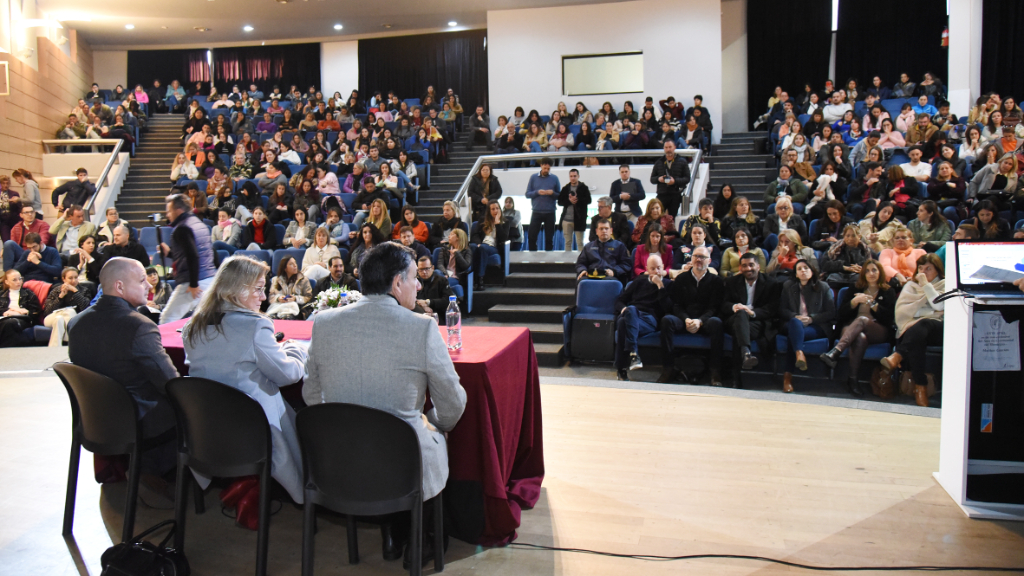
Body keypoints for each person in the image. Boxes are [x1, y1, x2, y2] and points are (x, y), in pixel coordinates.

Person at [303, 242, 467, 566]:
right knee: (423, 437)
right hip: (401, 464)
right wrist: (432, 421)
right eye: (413, 278)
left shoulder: (323, 323)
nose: (419, 284)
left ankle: (391, 534)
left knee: (384, 437)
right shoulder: (421, 327)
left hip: (338, 462)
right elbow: (453, 403)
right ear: (396, 284)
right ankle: (424, 540)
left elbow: (311, 398)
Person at [182, 255, 308, 505]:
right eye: (259, 290)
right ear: (236, 290)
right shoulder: (254, 327)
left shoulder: (192, 326)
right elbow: (287, 375)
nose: (263, 297)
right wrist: (297, 350)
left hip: (205, 430)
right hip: (253, 433)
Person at [67, 257, 179, 476]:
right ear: (119, 286)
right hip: (136, 422)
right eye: (141, 281)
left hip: (93, 420)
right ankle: (162, 477)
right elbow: (170, 384)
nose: (148, 285)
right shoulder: (138, 325)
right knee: (193, 407)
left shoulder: (76, 322)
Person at [881, 254, 945, 407]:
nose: (923, 272)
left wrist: (925, 285)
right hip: (914, 330)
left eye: (928, 268)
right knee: (917, 337)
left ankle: (898, 355)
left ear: (938, 270)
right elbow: (903, 313)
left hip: (937, 329)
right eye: (921, 268)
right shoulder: (910, 286)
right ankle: (920, 388)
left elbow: (939, 306)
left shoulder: (945, 284)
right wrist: (927, 313)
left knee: (923, 324)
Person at [659, 246, 725, 385]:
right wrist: (686, 319)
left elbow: (715, 308)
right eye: (696, 256)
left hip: (705, 321)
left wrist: (700, 321)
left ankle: (715, 372)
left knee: (717, 323)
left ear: (709, 261)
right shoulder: (682, 278)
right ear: (691, 258)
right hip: (685, 319)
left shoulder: (716, 281)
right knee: (667, 321)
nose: (698, 260)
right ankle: (668, 369)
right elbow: (676, 305)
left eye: (702, 257)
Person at [777, 259, 834, 393]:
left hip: (815, 326)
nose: (803, 271)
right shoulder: (788, 286)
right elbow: (782, 310)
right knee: (795, 325)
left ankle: (787, 377)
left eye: (806, 268)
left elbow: (831, 312)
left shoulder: (823, 287)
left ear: (812, 271)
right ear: (796, 274)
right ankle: (799, 353)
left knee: (794, 336)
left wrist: (811, 319)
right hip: (793, 323)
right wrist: (795, 316)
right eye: (799, 269)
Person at [722, 251, 779, 382]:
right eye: (744, 266)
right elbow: (723, 304)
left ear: (758, 266)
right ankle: (746, 353)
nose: (748, 268)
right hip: (734, 318)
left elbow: (773, 309)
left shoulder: (771, 283)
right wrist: (734, 307)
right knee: (740, 316)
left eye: (751, 265)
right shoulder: (732, 282)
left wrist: (752, 312)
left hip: (757, 321)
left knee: (740, 331)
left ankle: (737, 377)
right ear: (740, 268)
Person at [158, 194, 216, 324]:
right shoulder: (199, 223)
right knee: (198, 323)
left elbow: (193, 255)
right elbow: (200, 252)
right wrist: (169, 254)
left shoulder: (182, 228)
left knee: (166, 319)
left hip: (193, 282)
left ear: (178, 210)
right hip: (208, 279)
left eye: (169, 211)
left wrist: (193, 284)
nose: (167, 215)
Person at [614, 254, 671, 381]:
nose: (656, 272)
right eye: (652, 269)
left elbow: (668, 308)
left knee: (624, 322)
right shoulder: (639, 281)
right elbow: (619, 301)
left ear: (663, 267)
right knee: (628, 314)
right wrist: (625, 309)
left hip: (649, 320)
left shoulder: (667, 285)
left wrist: (660, 286)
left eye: (658, 268)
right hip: (632, 314)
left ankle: (622, 368)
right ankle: (633, 355)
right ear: (646, 269)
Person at [41, 266, 91, 347]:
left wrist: (75, 292)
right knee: (68, 312)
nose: (74, 281)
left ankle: (54, 349)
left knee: (59, 320)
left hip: (71, 318)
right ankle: (71, 342)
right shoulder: (56, 290)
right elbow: (47, 311)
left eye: (76, 277)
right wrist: (60, 297)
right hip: (52, 317)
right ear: (64, 279)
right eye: (70, 278)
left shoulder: (84, 290)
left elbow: (86, 308)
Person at [575, 218, 631, 284]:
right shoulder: (588, 247)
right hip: (591, 275)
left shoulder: (619, 246)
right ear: (596, 231)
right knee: (581, 281)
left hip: (611, 276)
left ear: (611, 231)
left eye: (606, 228)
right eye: (601, 229)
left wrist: (614, 271)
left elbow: (626, 264)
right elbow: (580, 263)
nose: (604, 231)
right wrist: (582, 270)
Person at [469, 200, 509, 290]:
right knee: (472, 247)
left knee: (483, 248)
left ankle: (479, 280)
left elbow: (503, 238)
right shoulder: (482, 220)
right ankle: (470, 279)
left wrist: (497, 223)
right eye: (493, 209)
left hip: (493, 247)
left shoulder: (505, 222)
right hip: (482, 244)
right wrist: (478, 243)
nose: (495, 211)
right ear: (489, 211)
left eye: (497, 208)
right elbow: (475, 234)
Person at [525, 158, 560, 251]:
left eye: (548, 169)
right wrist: (537, 192)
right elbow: (527, 194)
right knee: (531, 237)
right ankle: (533, 258)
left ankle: (549, 259)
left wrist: (552, 193)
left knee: (549, 239)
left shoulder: (555, 178)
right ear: (541, 166)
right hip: (536, 211)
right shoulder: (533, 177)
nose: (546, 170)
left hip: (550, 212)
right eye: (545, 168)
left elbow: (559, 196)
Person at [0, 269, 41, 347]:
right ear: (7, 282)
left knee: (9, 323)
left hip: (22, 319)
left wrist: (27, 312)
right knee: (6, 323)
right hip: (4, 318)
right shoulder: (1, 294)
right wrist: (5, 312)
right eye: (14, 280)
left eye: (20, 279)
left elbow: (36, 312)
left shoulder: (29, 294)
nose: (18, 282)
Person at [650, 141, 691, 217]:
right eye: (666, 147)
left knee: (672, 219)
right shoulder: (659, 162)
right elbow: (652, 179)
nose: (668, 149)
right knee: (657, 218)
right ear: (663, 148)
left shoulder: (682, 161)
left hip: (675, 194)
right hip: (661, 194)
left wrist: (674, 181)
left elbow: (687, 178)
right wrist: (659, 179)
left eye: (670, 147)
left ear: (674, 147)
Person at [557, 169, 591, 252]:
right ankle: (568, 262)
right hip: (566, 219)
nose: (573, 178)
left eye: (574, 176)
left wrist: (577, 199)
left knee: (580, 242)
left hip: (579, 219)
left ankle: (582, 261)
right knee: (568, 242)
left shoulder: (583, 188)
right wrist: (569, 201)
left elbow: (589, 200)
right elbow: (559, 202)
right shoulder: (565, 188)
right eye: (571, 176)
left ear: (578, 176)